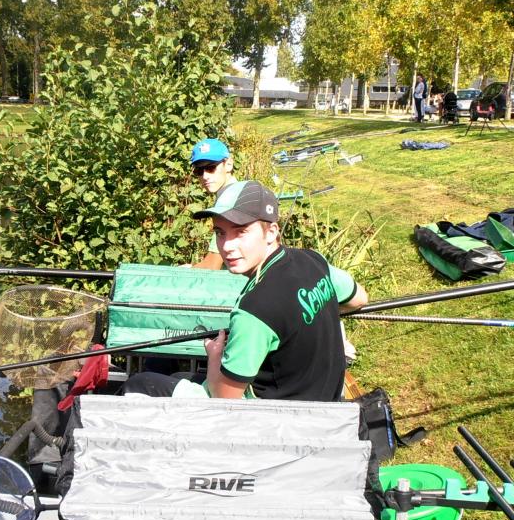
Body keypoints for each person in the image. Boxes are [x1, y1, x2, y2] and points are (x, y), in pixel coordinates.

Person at [122, 181, 369, 401]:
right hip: (323, 404)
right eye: (220, 233)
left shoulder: (255, 309)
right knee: (178, 375)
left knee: (139, 384)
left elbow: (225, 399)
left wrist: (215, 357)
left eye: (241, 232)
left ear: (271, 232)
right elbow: (358, 299)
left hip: (270, 422)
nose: (227, 246)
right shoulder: (313, 261)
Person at [189, 137, 237, 269]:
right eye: (199, 171)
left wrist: (188, 271)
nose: (204, 176)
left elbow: (212, 265)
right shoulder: (239, 190)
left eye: (211, 167)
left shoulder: (229, 201)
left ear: (228, 164)